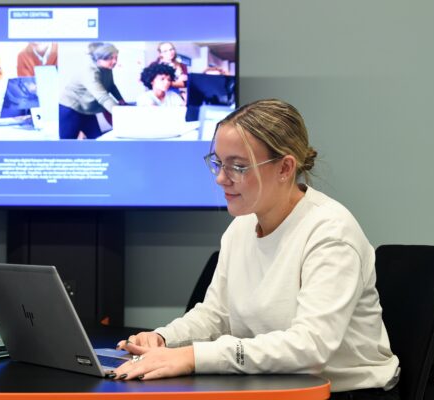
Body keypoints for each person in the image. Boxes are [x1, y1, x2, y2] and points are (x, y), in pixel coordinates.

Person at [113, 99, 401, 399]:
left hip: (346, 392)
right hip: (275, 386)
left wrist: (192, 357)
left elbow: (311, 347)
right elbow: (216, 315)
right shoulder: (242, 226)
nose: (221, 178)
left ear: (285, 168)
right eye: (218, 163)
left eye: (238, 167)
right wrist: (163, 338)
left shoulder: (330, 232)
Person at [59, 42, 125, 140]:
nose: (115, 61)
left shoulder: (107, 68)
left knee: (96, 138)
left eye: (116, 58)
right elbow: (103, 97)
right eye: (111, 58)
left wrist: (121, 100)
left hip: (87, 110)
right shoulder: (89, 72)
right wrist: (123, 116)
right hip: (71, 108)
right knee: (67, 141)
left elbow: (111, 86)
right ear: (99, 59)